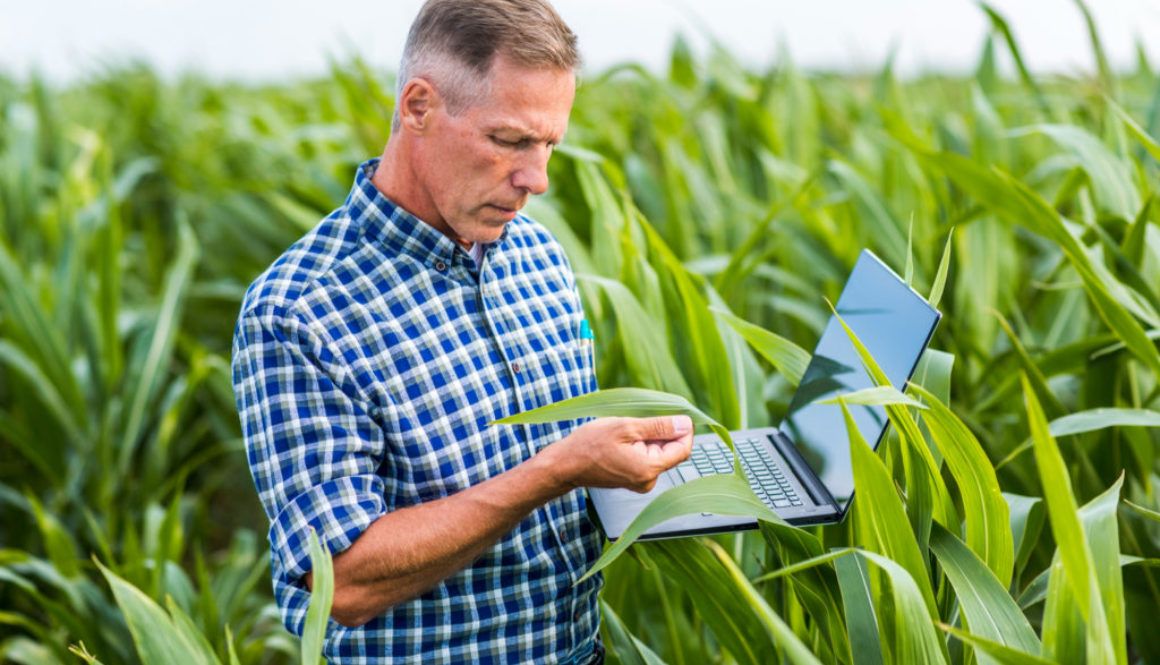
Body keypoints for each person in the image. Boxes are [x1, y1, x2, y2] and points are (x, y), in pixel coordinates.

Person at [230, 1, 694, 663]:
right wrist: (556, 470)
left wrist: (643, 469)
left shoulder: (537, 253)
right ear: (418, 106)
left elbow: (566, 471)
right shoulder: (299, 311)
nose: (536, 179)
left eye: (548, 145)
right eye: (509, 141)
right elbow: (344, 580)